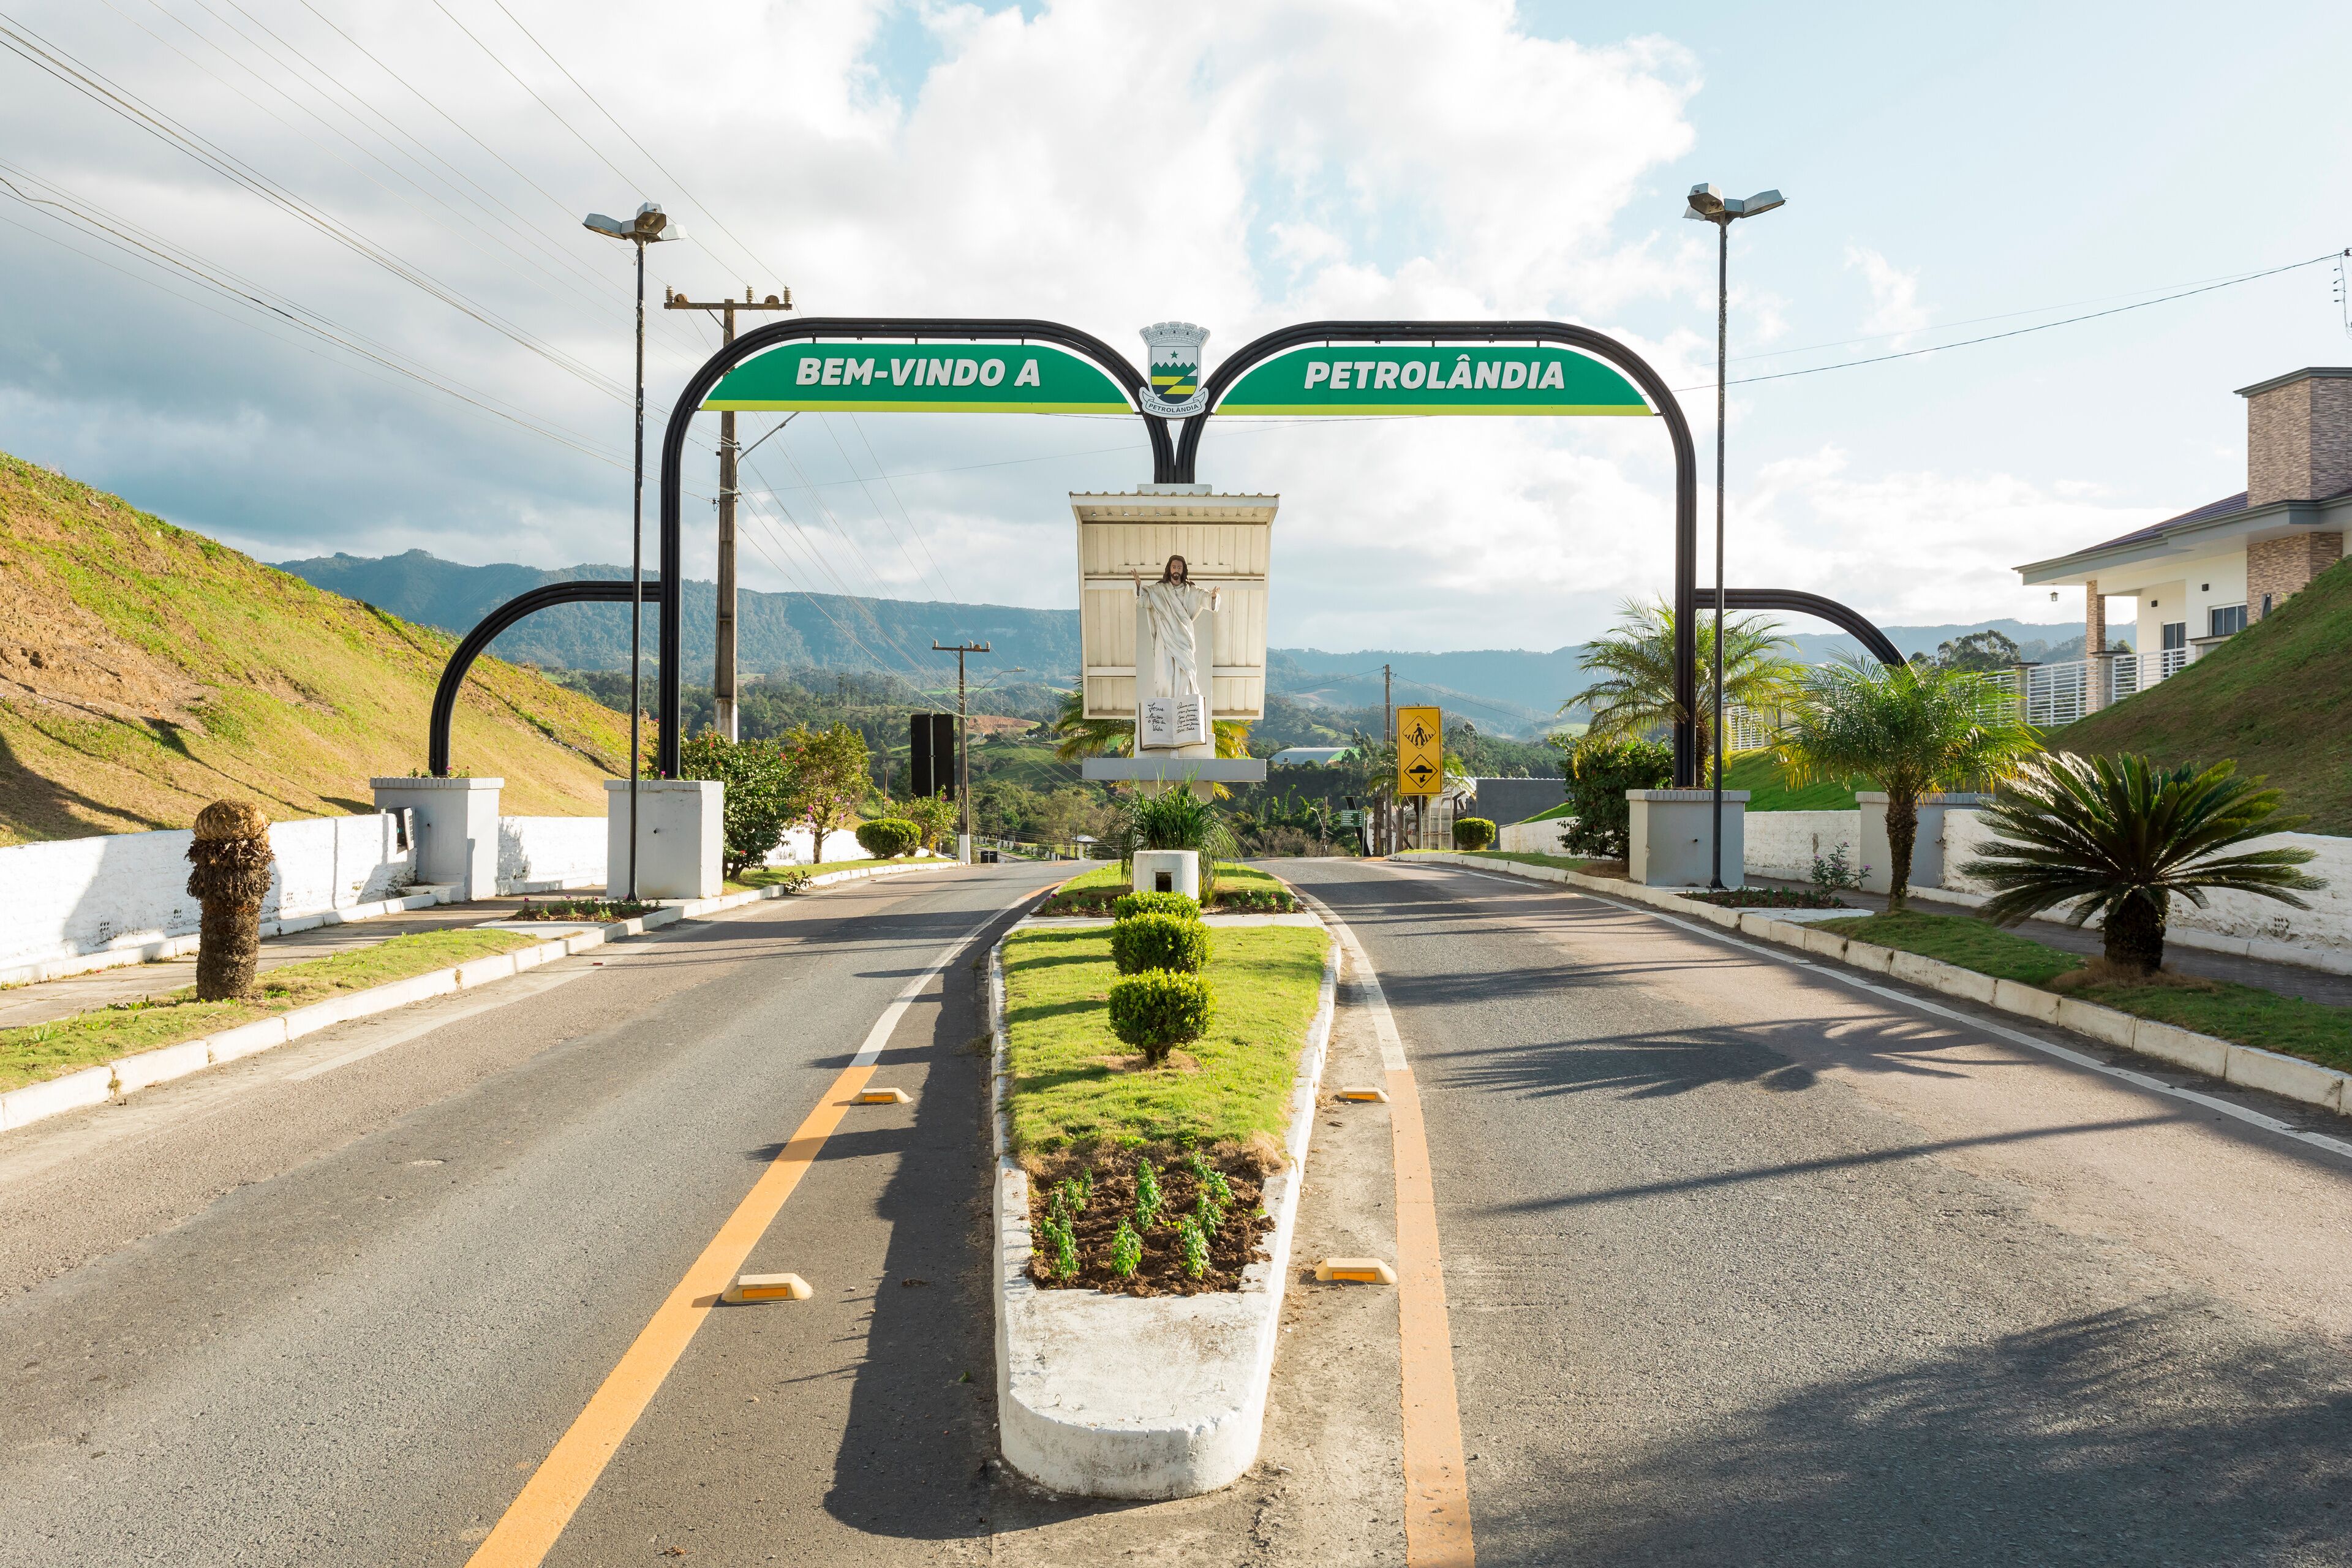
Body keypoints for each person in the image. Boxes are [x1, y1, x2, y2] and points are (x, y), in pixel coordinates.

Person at [1133, 554, 1219, 703]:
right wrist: (1139, 586)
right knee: (1165, 675)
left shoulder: (1190, 591)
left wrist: (1213, 597)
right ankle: (1164, 706)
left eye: (1179, 567)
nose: (1176, 570)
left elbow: (1205, 598)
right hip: (1165, 638)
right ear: (1169, 569)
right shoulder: (1159, 590)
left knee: (1185, 674)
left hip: (1184, 638)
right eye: (1174, 567)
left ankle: (1183, 706)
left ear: (1183, 570)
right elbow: (1143, 600)